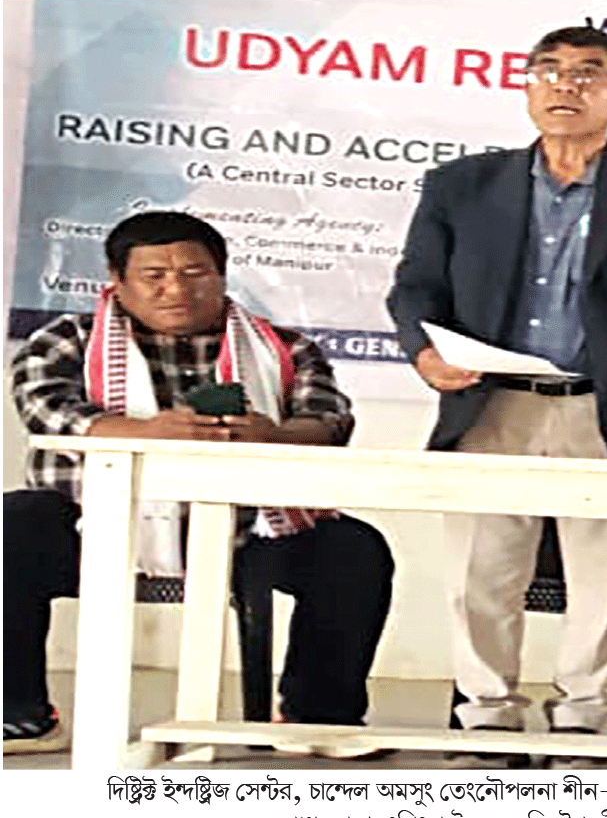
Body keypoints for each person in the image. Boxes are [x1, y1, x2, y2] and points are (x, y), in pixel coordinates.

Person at [387, 26, 607, 766]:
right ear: (526, 85)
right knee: (482, 569)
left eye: (588, 73)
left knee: (604, 572)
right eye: (547, 70)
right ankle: (486, 716)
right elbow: (416, 286)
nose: (565, 85)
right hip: (493, 402)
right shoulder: (462, 185)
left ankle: (582, 715)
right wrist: (424, 352)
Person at [4, 211, 395, 759]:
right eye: (154, 275)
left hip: (250, 533)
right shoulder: (67, 340)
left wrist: (274, 435)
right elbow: (45, 412)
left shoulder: (281, 347)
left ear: (222, 276)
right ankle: (19, 714)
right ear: (117, 282)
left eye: (194, 273)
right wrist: (145, 433)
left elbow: (329, 420)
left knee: (352, 549)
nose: (176, 289)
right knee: (14, 524)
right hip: (99, 525)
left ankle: (318, 718)